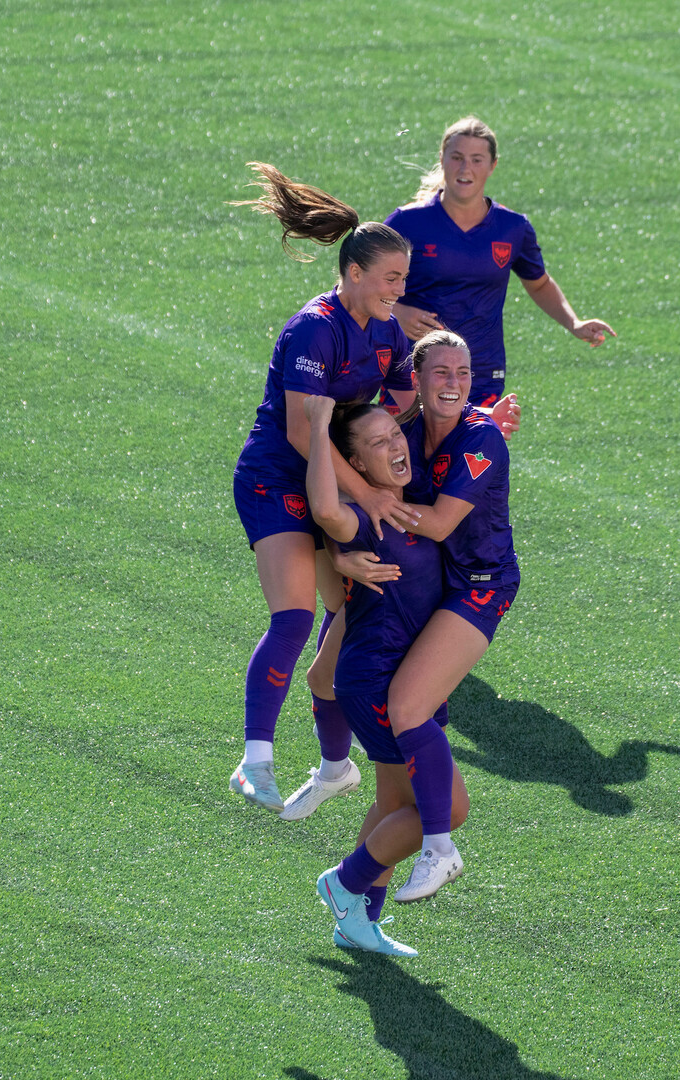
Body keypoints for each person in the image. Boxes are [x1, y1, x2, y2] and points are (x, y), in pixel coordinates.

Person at [227, 163, 423, 816]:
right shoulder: (316, 327)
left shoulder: (387, 331)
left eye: (404, 278)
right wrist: (367, 493)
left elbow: (405, 399)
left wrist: (448, 420)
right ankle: (254, 761)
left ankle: (335, 765)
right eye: (391, 278)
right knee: (294, 615)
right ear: (355, 273)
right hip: (276, 478)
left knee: (348, 611)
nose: (400, 290)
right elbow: (302, 430)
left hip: (330, 484)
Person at [302, 394, 469, 956]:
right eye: (378, 443)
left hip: (412, 675)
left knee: (397, 806)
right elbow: (326, 509)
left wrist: (488, 423)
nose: (396, 445)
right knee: (446, 809)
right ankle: (344, 884)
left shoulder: (413, 502)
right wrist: (319, 424)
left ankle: (357, 921)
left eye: (395, 435)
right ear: (356, 465)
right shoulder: (362, 517)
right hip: (378, 682)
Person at [378, 330, 522, 904]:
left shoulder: (482, 438)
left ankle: (440, 848)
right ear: (416, 379)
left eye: (463, 374)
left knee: (407, 706)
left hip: (480, 588)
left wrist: (379, 503)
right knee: (402, 717)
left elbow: (438, 524)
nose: (454, 383)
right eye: (441, 372)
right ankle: (357, 895)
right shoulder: (406, 433)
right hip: (431, 586)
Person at [386, 116, 616, 408]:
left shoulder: (512, 228)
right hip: (412, 372)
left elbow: (539, 284)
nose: (465, 168)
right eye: (457, 158)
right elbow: (359, 283)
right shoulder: (407, 222)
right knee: (405, 440)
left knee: (474, 440)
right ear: (442, 159)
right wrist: (397, 312)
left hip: (480, 372)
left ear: (493, 165)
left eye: (477, 160)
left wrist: (574, 323)